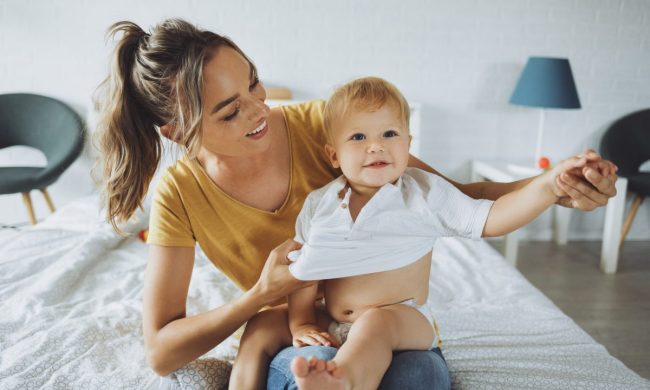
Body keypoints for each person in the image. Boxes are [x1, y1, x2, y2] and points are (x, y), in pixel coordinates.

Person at [94, 18, 618, 389]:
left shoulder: (333, 125)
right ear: (176, 129)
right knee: (314, 365)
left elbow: (461, 199)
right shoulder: (180, 193)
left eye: (255, 84)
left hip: (385, 317)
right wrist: (261, 296)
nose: (261, 112)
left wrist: (559, 187)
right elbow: (161, 352)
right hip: (295, 328)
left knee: (414, 374)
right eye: (231, 112)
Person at [228, 77, 608, 389]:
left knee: (377, 322)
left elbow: (490, 219)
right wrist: (302, 322)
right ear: (333, 156)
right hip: (336, 321)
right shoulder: (321, 204)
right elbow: (305, 273)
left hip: (403, 321)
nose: (375, 145)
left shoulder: (422, 193)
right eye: (358, 138)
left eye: (390, 133)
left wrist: (546, 188)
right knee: (265, 322)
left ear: (408, 146)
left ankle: (343, 380)